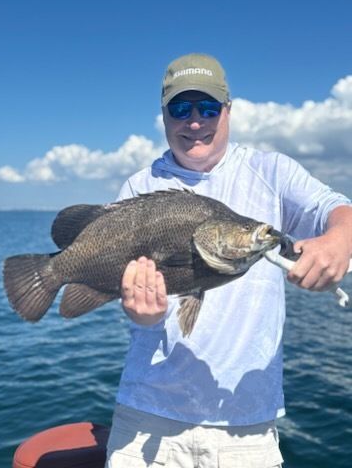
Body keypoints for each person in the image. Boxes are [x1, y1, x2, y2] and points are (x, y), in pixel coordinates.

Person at [104, 53, 352, 467]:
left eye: (208, 107)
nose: (195, 121)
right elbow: (128, 294)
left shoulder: (271, 171)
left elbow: (335, 207)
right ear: (164, 116)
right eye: (180, 109)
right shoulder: (140, 186)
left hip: (246, 426)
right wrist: (142, 314)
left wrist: (340, 239)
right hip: (147, 418)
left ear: (229, 110)